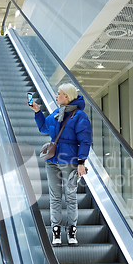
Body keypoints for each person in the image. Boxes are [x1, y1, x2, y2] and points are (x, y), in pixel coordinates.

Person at [29, 83, 92, 246]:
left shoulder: (79, 116)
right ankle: (56, 231)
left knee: (70, 197)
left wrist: (81, 162)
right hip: (52, 161)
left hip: (70, 161)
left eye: (59, 94)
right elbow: (44, 128)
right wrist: (37, 111)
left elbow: (85, 140)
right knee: (55, 197)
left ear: (67, 97)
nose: (56, 96)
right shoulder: (56, 113)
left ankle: (71, 230)